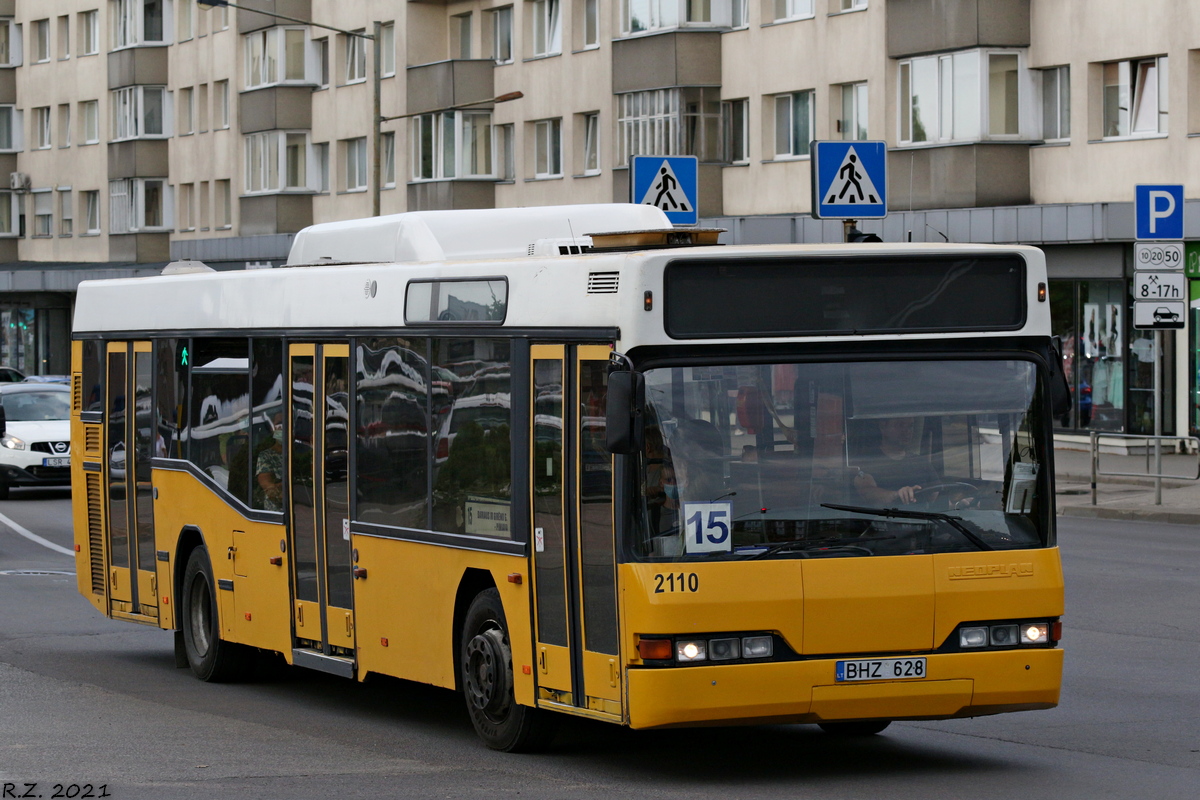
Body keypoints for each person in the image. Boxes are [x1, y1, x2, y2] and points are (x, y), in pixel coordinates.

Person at [853, 416, 939, 506]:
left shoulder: (921, 462)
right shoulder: (867, 460)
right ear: (883, 427)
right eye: (900, 425)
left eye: (910, 426)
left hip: (923, 519)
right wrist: (898, 495)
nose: (907, 431)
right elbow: (867, 491)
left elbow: (936, 493)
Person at [256, 415, 286, 511]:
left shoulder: (303, 452)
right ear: (272, 428)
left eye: (286, 423)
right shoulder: (266, 456)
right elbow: (268, 487)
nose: (283, 427)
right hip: (278, 513)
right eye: (279, 424)